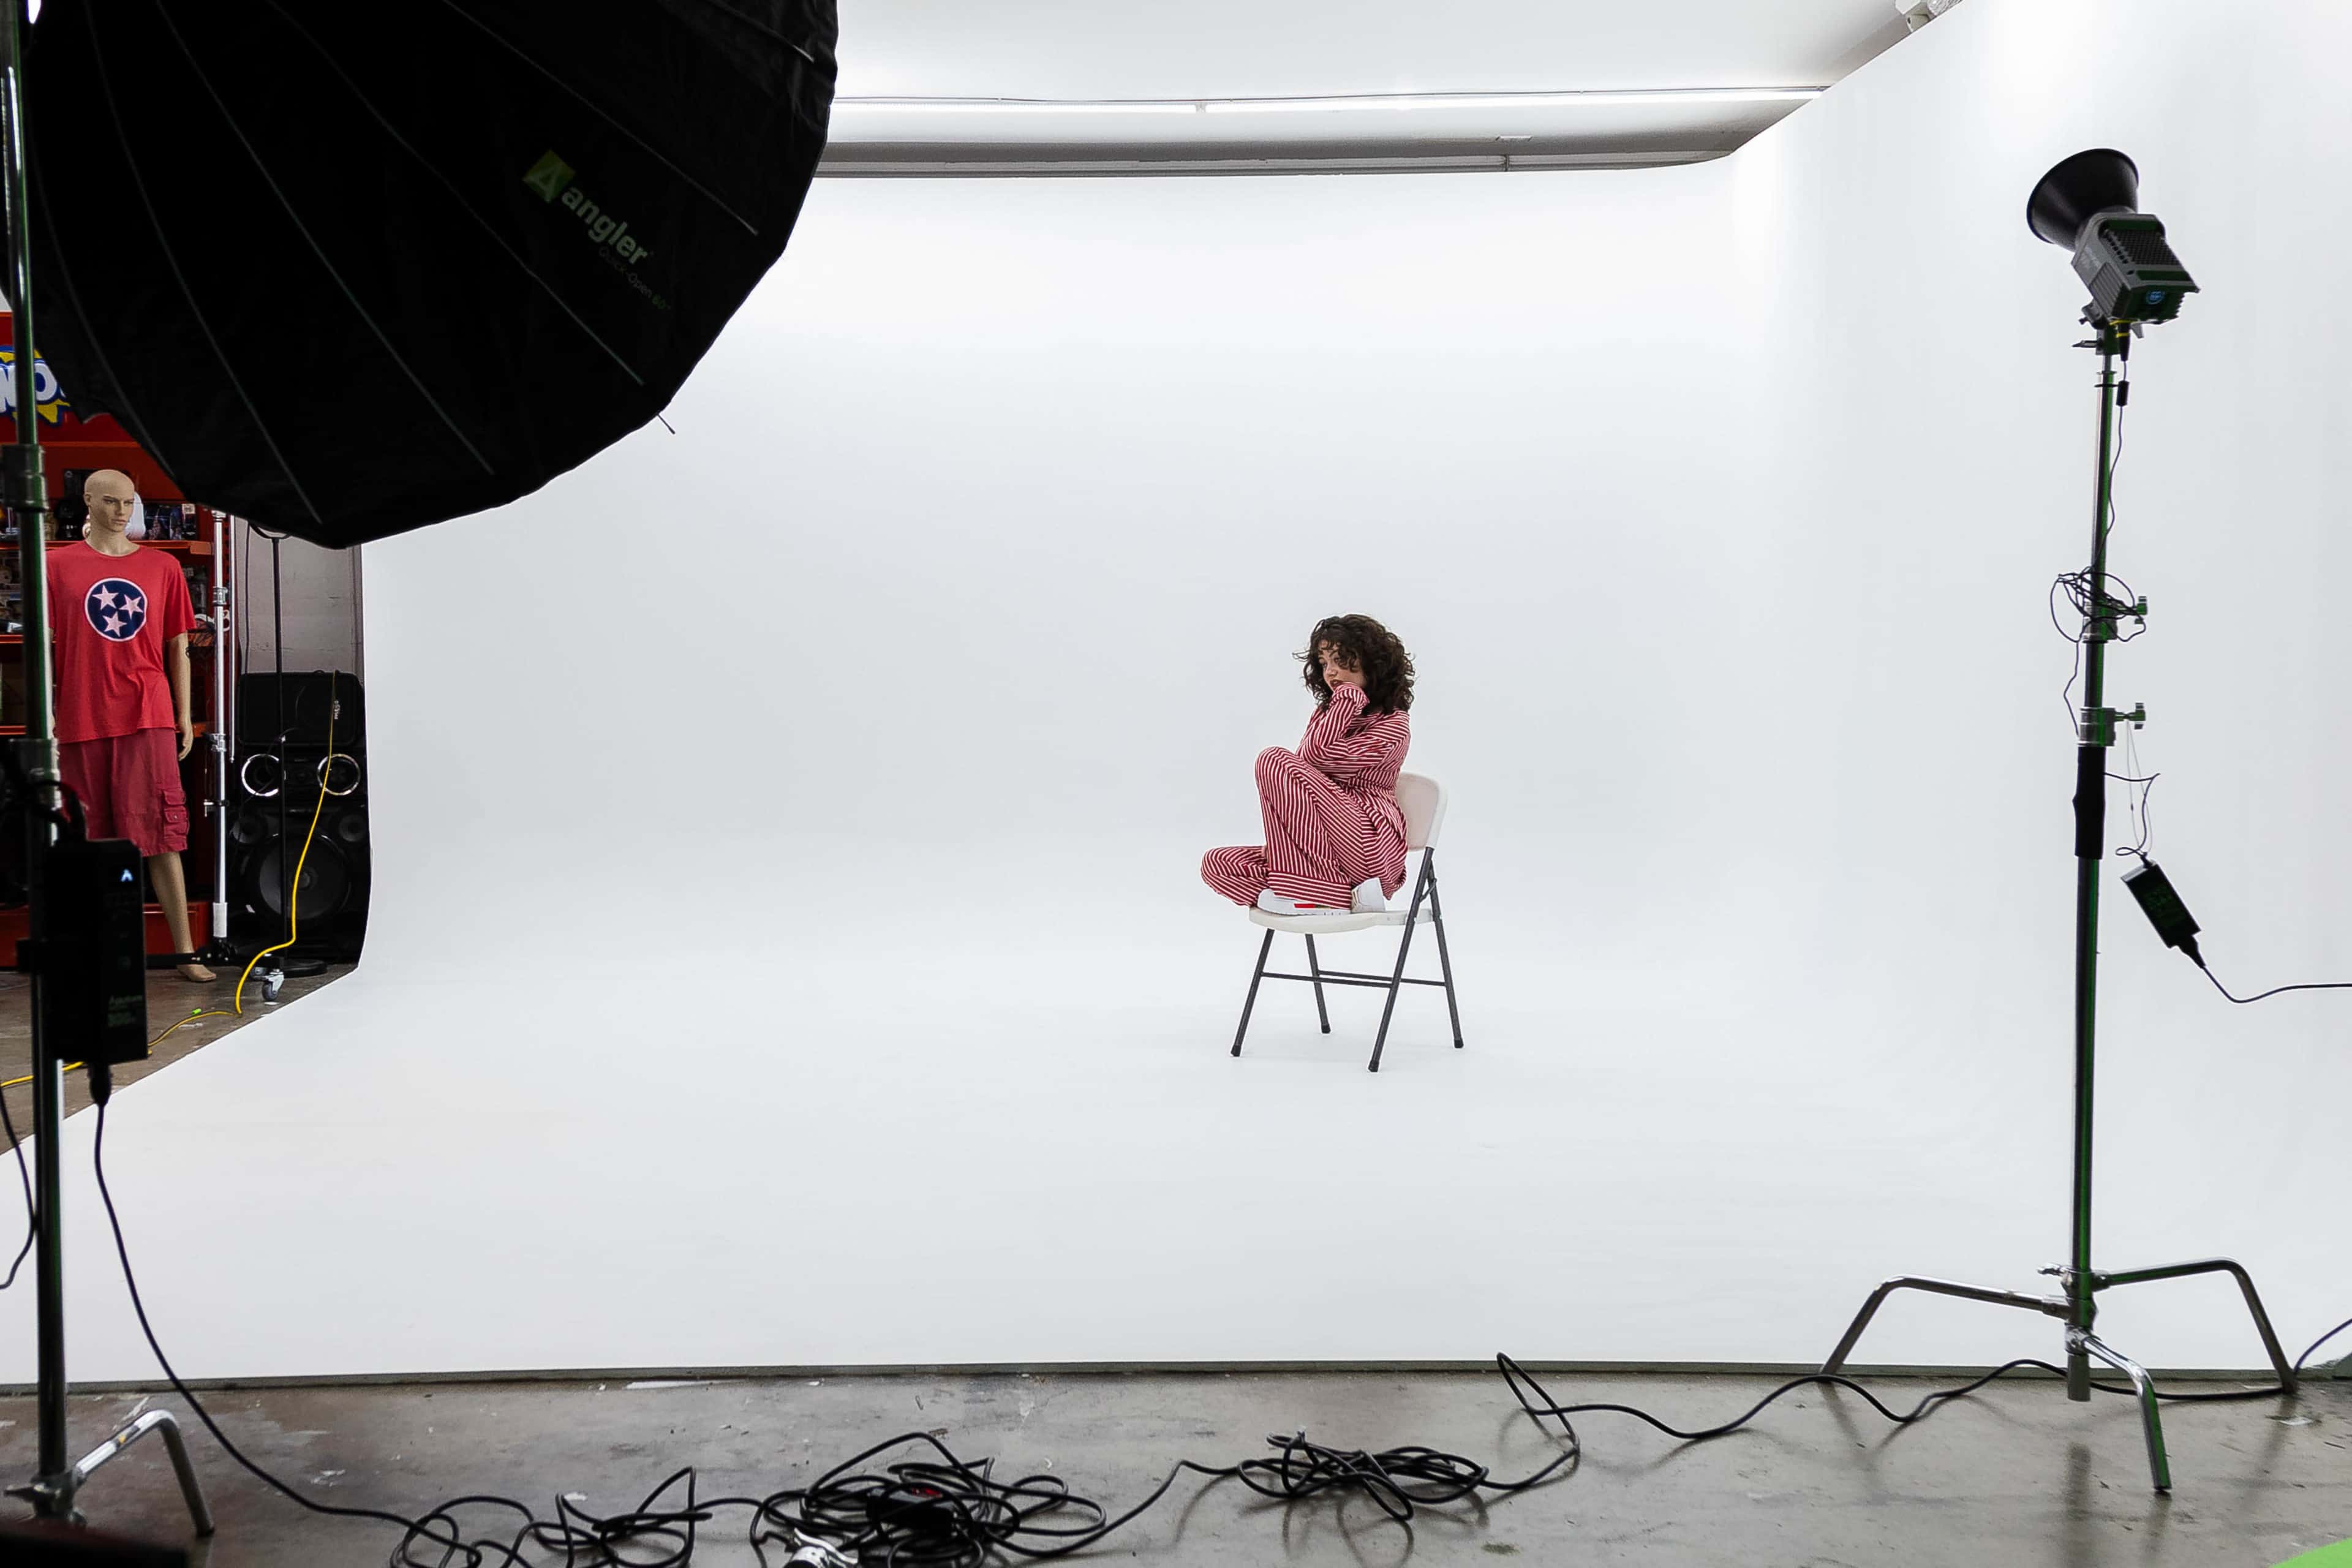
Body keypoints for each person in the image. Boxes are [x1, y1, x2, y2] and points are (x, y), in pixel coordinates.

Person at [45, 469, 214, 982]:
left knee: (162, 832)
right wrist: (44, 717)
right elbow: (43, 646)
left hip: (147, 711)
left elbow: (177, 646)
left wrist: (184, 715)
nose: (122, 511)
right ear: (89, 502)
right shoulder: (55, 566)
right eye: (112, 502)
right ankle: (93, 950)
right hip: (81, 713)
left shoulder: (162, 568)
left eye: (130, 502)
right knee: (89, 837)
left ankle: (185, 952)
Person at [1202, 614, 1414, 916]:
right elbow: (1304, 769)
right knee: (1217, 864)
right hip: (1323, 852)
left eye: (1342, 660)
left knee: (1273, 760)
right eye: (1325, 663)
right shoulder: (1328, 716)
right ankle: (1330, 896)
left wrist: (1348, 698)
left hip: (1370, 847)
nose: (1332, 672)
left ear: (1372, 662)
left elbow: (1311, 759)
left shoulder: (1394, 724)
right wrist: (1339, 707)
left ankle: (1312, 893)